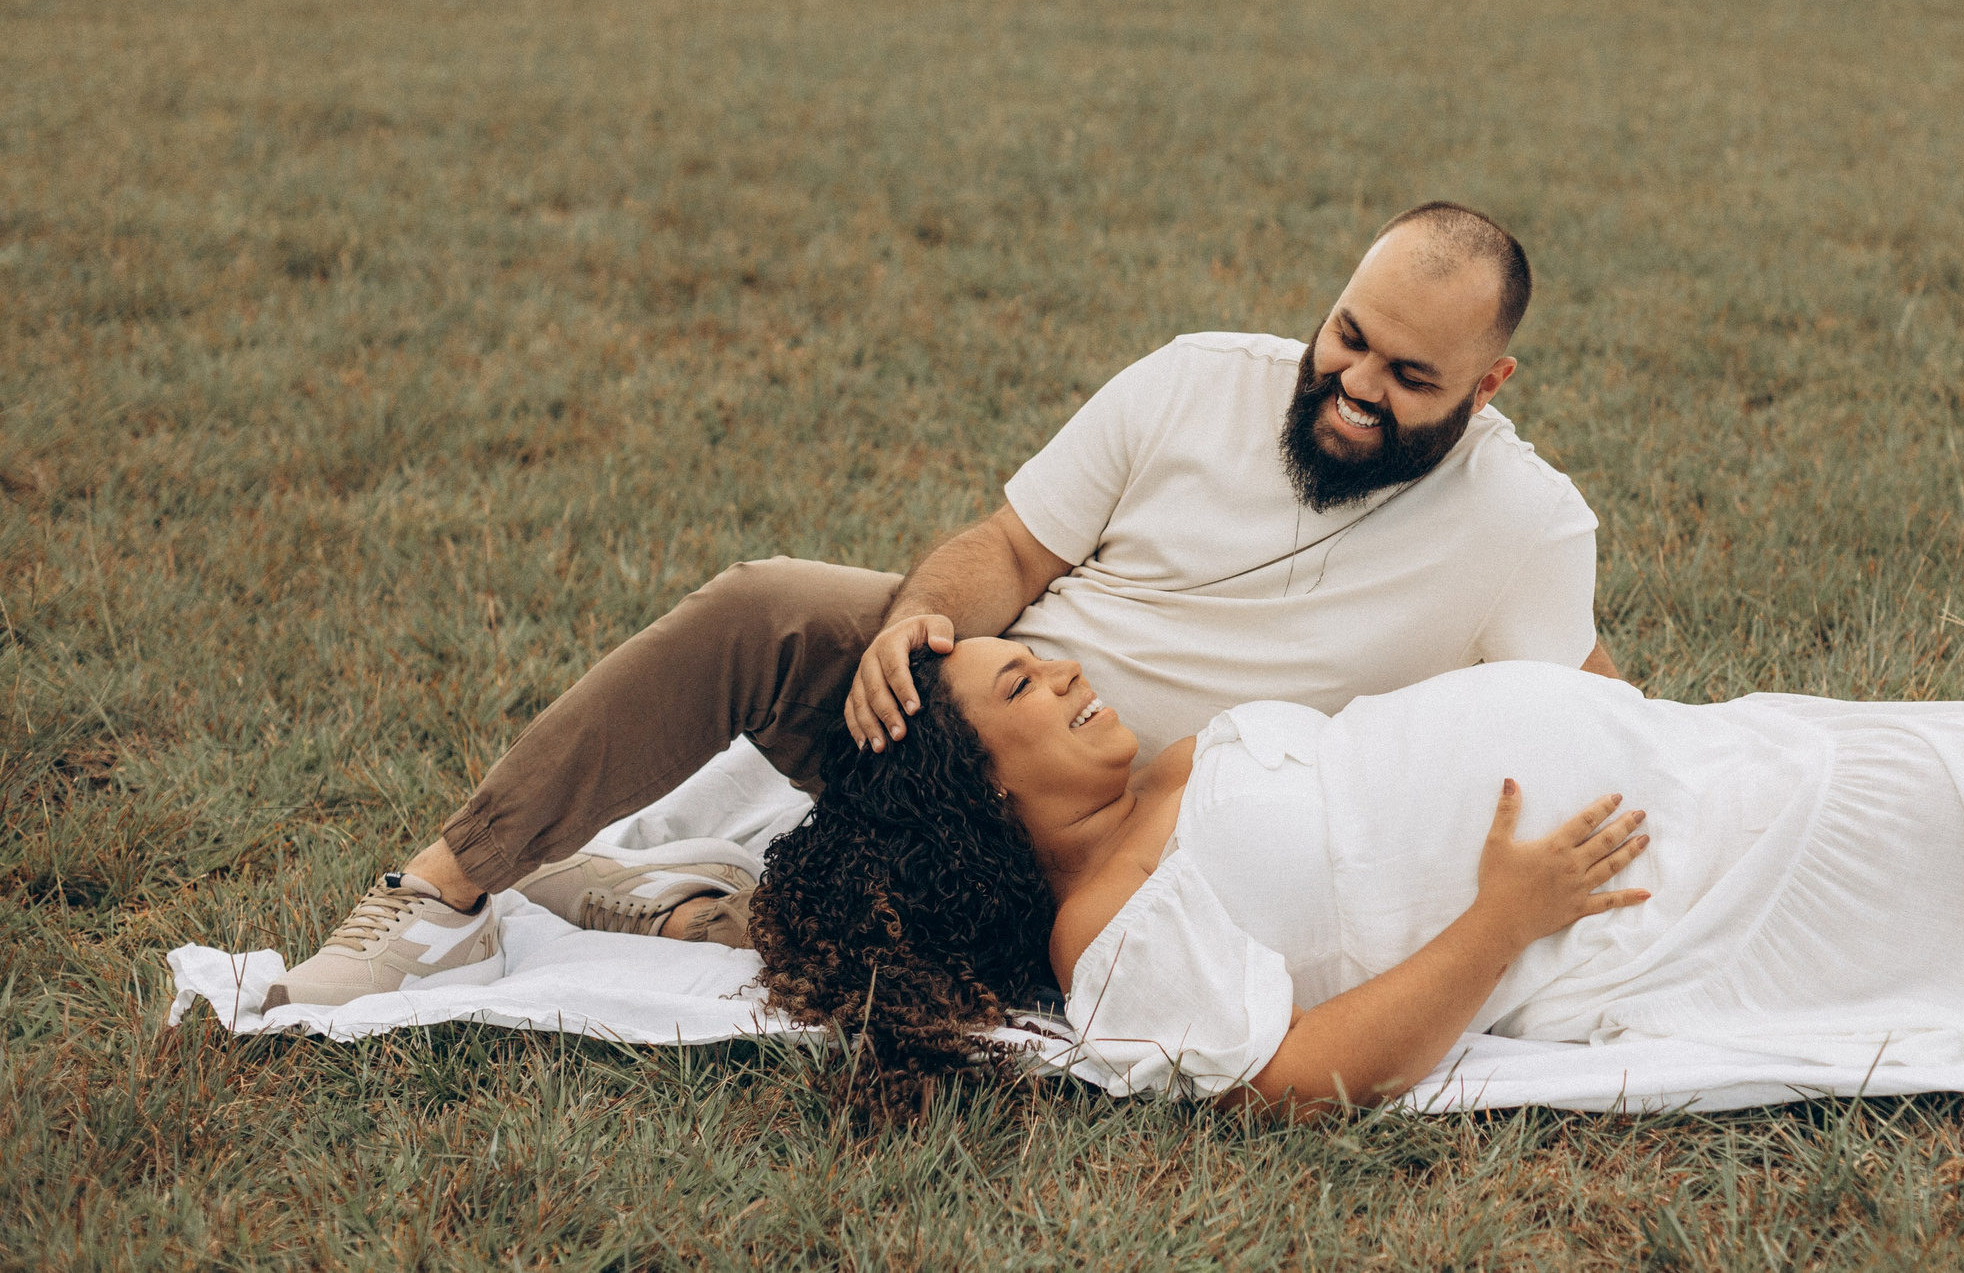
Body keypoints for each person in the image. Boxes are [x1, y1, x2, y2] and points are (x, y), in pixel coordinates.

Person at [269, 203, 1613, 1008]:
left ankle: (690, 913)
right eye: (1347, 337)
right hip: (992, 713)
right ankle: (432, 894)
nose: (1355, 385)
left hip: (1152, 840)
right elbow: (1008, 553)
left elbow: (1582, 714)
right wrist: (923, 624)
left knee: (991, 979)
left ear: (1489, 385)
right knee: (771, 606)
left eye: (1408, 377)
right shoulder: (1197, 380)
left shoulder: (1527, 528)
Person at [749, 637, 1964, 1113]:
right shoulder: (1112, 933)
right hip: (1646, 905)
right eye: (1017, 693)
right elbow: (1293, 1082)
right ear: (978, 791)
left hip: (1688, 766)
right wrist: (1505, 921)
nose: (1058, 673)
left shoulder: (1178, 771)